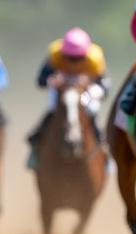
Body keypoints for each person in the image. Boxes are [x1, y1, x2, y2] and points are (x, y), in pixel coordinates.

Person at [25, 28, 108, 169]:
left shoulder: (95, 59)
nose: (74, 62)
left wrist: (89, 85)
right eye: (70, 57)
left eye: (78, 58)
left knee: (91, 111)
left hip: (86, 92)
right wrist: (52, 80)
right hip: (61, 92)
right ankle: (36, 142)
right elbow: (41, 80)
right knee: (52, 110)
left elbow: (105, 87)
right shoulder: (55, 55)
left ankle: (103, 146)